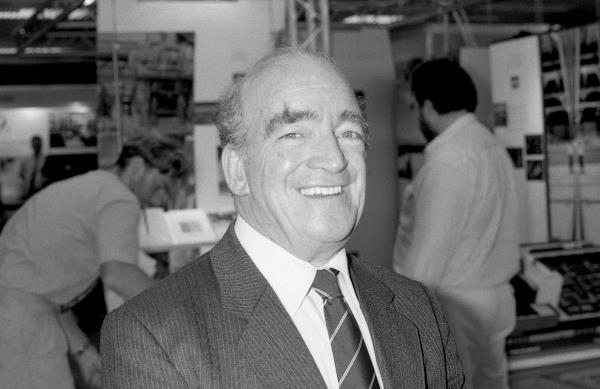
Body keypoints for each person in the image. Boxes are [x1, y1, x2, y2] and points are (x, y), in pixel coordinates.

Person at [101, 48, 466, 389]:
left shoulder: (417, 307)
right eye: (293, 133)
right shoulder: (150, 336)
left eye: (349, 133)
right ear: (237, 170)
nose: (335, 159)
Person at [0, 132, 188, 389]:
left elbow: (44, 293)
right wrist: (183, 316)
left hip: (21, 316)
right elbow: (118, 274)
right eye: (159, 187)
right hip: (21, 326)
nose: (157, 200)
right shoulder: (120, 198)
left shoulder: (93, 187)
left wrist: (83, 350)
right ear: (137, 166)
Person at [393, 58, 520, 389]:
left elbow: (428, 254)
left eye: (415, 106)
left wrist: (403, 316)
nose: (416, 114)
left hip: (457, 306)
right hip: (497, 298)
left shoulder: (448, 161)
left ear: (430, 108)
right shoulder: (492, 147)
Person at [18, 135, 46, 200]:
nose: (36, 146)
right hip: (29, 189)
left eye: (38, 144)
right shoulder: (27, 160)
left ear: (41, 145)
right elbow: (21, 174)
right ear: (32, 145)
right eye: (35, 144)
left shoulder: (45, 159)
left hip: (40, 189)